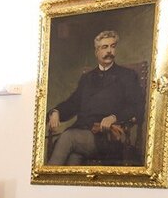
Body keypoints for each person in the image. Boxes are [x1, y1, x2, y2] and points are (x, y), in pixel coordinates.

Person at [47, 30, 145, 166]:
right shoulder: (87, 78)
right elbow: (73, 103)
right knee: (73, 159)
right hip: (82, 134)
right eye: (104, 47)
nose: (109, 51)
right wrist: (56, 111)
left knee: (68, 138)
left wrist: (114, 117)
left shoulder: (127, 76)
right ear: (96, 52)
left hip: (108, 139)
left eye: (112, 46)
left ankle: (48, 175)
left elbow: (137, 107)